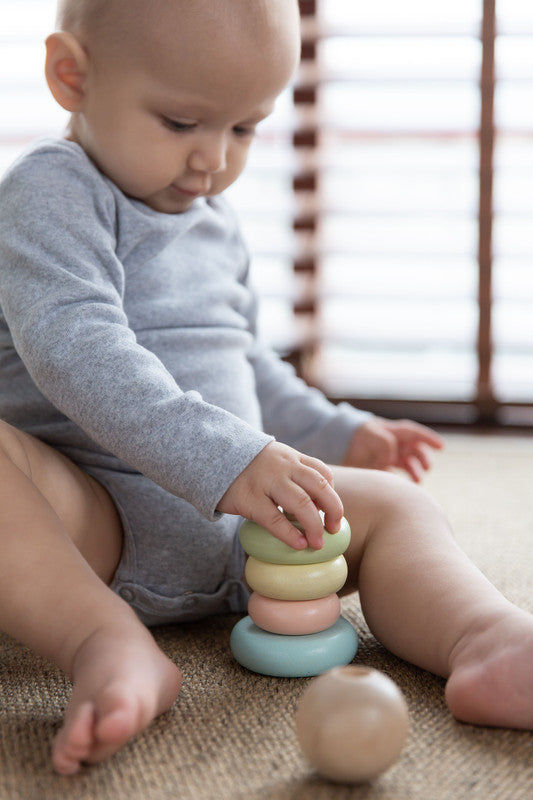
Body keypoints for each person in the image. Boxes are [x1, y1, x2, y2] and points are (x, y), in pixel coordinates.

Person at [0, 0, 530, 777]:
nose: (213, 160)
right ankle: (103, 641)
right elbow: (74, 349)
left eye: (245, 128)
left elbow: (245, 363)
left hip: (247, 529)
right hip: (96, 524)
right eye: (181, 122)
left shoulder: (211, 218)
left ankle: (484, 638)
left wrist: (335, 430)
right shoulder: (51, 192)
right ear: (71, 76)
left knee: (394, 507)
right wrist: (227, 461)